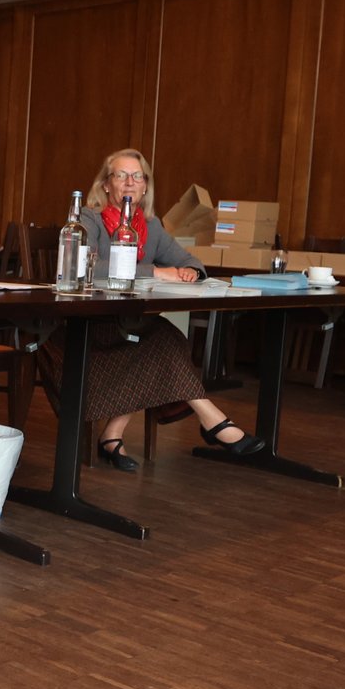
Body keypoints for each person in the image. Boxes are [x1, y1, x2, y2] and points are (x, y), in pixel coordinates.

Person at [78, 149, 266, 471]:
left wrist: (191, 272)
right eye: (120, 175)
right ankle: (213, 422)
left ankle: (113, 435)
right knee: (161, 338)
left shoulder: (149, 225)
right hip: (89, 326)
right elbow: (89, 268)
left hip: (128, 325)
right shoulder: (89, 218)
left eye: (137, 176)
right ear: (106, 185)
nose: (129, 182)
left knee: (157, 337)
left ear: (145, 187)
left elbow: (191, 261)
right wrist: (156, 272)